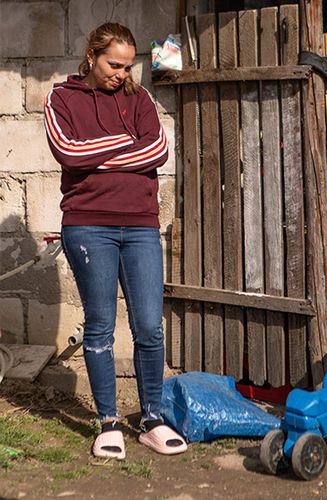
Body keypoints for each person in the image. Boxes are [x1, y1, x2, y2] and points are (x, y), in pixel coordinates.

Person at [44, 22, 187, 459]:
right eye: (113, 64)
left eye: (127, 67)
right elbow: (68, 153)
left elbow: (157, 151)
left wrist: (99, 155)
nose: (121, 74)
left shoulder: (139, 98)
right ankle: (108, 423)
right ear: (91, 56)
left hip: (141, 225)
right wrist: (125, 144)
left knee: (149, 327)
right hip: (88, 226)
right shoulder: (61, 98)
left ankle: (152, 420)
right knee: (101, 327)